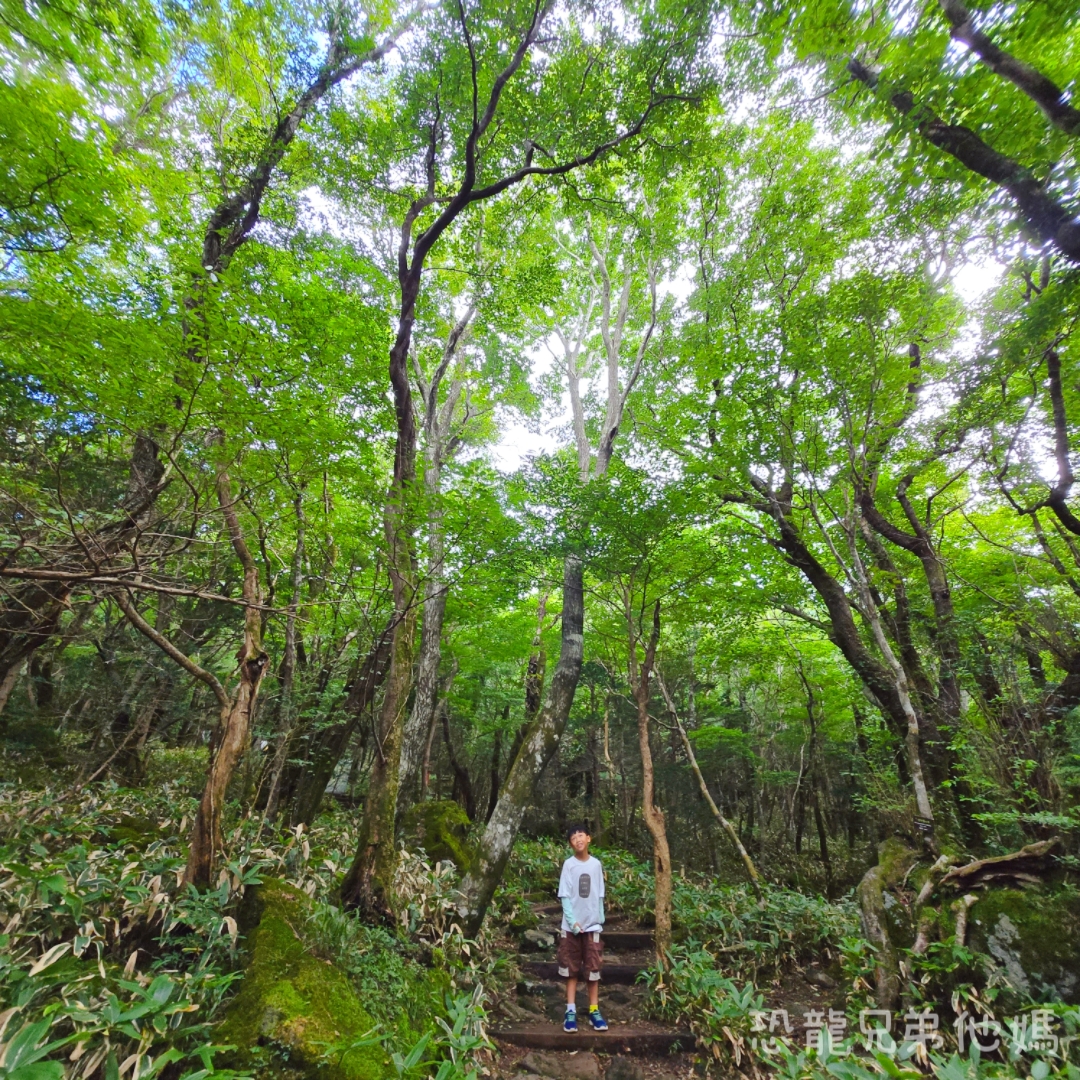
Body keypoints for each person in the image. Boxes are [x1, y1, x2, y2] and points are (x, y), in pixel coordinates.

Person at [556, 822, 608, 1032]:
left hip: (592, 925)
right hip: (571, 928)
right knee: (571, 970)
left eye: (581, 835)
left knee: (593, 969)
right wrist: (572, 922)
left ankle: (594, 1010)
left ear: (588, 838)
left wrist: (600, 917)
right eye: (573, 837)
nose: (577, 839)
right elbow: (565, 895)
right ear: (570, 844)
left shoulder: (596, 865)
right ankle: (570, 1011)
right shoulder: (569, 865)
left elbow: (600, 893)